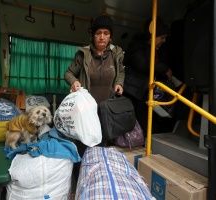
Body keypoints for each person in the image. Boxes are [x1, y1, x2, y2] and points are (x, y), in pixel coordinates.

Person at [64, 15, 125, 190]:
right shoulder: (83, 53)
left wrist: (119, 83)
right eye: (98, 33)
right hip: (86, 109)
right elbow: (68, 73)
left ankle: (98, 182)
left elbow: (121, 72)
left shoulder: (116, 53)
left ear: (110, 36)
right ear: (93, 35)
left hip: (107, 108)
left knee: (103, 143)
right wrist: (74, 82)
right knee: (83, 143)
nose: (102, 37)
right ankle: (80, 181)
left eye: (106, 33)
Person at [123, 16, 175, 135]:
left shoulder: (155, 49)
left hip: (145, 92)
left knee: (147, 123)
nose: (164, 41)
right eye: (162, 37)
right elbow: (142, 64)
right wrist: (165, 69)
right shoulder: (137, 45)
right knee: (141, 123)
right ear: (153, 35)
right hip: (134, 91)